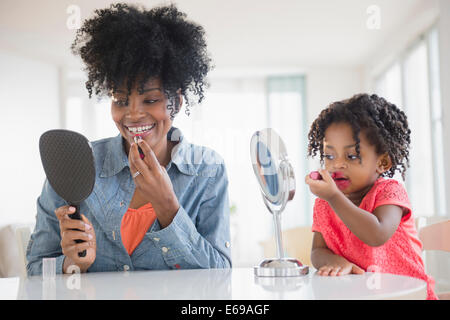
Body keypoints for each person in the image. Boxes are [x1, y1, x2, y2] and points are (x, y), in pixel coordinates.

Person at [27, 3, 231, 275]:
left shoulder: (207, 170)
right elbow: (35, 268)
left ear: (176, 103)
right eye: (121, 100)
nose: (133, 114)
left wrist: (168, 208)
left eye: (150, 99)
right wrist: (71, 264)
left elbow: (221, 275)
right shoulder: (74, 164)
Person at [304, 94, 437, 300]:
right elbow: (317, 251)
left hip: (405, 296)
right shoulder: (325, 203)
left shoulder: (389, 192)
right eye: (329, 156)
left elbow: (376, 234)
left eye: (352, 156)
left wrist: (333, 197)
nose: (337, 164)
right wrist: (335, 262)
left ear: (382, 163)